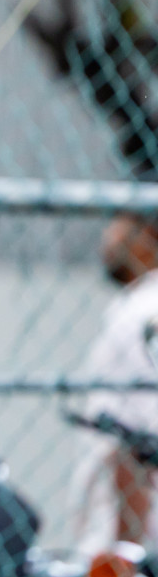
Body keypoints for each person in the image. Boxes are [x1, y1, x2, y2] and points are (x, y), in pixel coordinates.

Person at [72, 213, 158, 554]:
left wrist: (125, 561)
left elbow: (132, 442)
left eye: (122, 223)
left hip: (137, 557)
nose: (109, 236)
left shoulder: (142, 310)